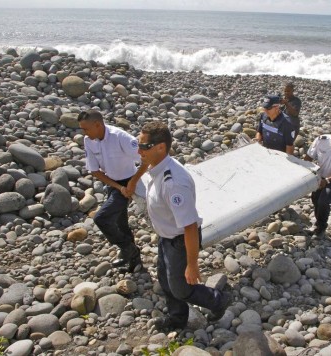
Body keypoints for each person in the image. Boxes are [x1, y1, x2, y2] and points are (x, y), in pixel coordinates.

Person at [138, 121, 231, 331]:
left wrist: (192, 264)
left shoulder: (174, 183)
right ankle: (177, 318)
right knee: (164, 277)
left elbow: (189, 227)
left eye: (143, 146)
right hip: (167, 236)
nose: (139, 151)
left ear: (160, 147)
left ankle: (218, 300)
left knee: (181, 288)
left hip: (180, 240)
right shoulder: (158, 166)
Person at [78, 110, 145, 272]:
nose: (83, 133)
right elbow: (94, 170)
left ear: (98, 125)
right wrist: (118, 187)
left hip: (131, 180)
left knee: (101, 218)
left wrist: (131, 184)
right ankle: (134, 260)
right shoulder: (89, 140)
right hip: (114, 184)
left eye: (86, 129)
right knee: (120, 223)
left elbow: (146, 159)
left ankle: (128, 249)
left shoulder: (120, 137)